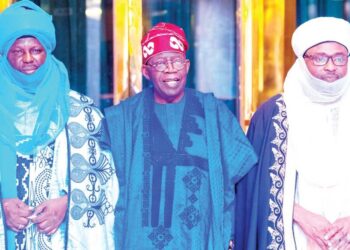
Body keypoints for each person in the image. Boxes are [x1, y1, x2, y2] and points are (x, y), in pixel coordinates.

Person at [105, 22, 257, 249]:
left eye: (176, 60)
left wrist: (233, 232)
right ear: (146, 72)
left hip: (202, 239)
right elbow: (101, 183)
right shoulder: (122, 120)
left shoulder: (213, 113)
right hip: (138, 241)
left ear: (186, 66)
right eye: (159, 62)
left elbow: (244, 179)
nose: (170, 69)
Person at [0, 1, 119, 249]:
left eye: (36, 50)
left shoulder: (80, 111)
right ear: (4, 54)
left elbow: (104, 177)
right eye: (17, 51)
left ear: (48, 51)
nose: (28, 59)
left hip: (60, 237)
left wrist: (68, 203)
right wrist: (4, 203)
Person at [235, 17, 350, 250]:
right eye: (319, 58)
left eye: (339, 58)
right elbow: (254, 187)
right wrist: (299, 215)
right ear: (302, 60)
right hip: (293, 234)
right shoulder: (273, 115)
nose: (330, 66)